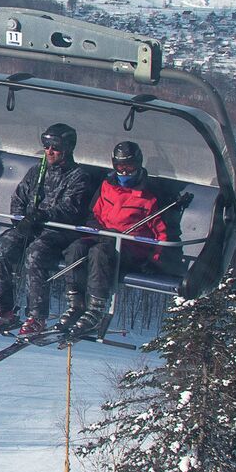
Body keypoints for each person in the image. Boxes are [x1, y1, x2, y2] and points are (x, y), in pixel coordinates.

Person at [0, 123, 99, 336]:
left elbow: (70, 208)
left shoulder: (78, 176)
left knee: (35, 255)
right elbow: (19, 197)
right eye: (46, 146)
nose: (49, 151)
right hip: (30, 227)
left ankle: (37, 316)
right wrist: (20, 221)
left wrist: (40, 216)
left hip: (57, 231)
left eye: (55, 147)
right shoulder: (37, 171)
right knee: (0, 250)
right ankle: (2, 309)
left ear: (67, 148)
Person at [56, 141, 171, 340]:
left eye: (129, 168)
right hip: (103, 238)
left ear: (138, 165)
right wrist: (98, 231)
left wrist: (155, 261)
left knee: (98, 254)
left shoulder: (149, 197)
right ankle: (76, 303)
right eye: (119, 167)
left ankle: (96, 308)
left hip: (130, 249)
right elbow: (94, 215)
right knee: (76, 249)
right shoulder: (107, 186)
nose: (124, 173)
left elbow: (162, 233)